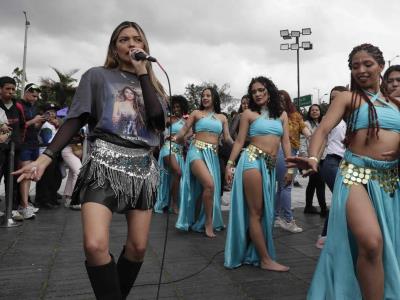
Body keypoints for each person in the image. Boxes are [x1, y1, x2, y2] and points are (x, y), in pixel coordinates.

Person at [13, 21, 166, 299]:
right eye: (123, 40)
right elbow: (75, 119)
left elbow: (157, 121)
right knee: (95, 246)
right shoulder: (97, 76)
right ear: (114, 47)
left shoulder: (154, 87)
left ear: (145, 46)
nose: (131, 44)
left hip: (142, 169)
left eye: (137, 39)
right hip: (103, 165)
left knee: (139, 247)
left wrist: (143, 74)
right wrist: (46, 159)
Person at [287, 43, 400, 299]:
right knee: (371, 243)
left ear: (380, 66)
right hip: (354, 176)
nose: (361, 70)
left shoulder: (395, 104)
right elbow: (323, 130)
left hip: (389, 182)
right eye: (355, 66)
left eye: (367, 64)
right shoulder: (348, 98)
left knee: (385, 247)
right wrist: (314, 156)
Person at [224, 76, 291, 271]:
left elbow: (286, 143)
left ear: (269, 90)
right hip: (251, 160)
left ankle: (254, 252)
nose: (258, 94)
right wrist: (229, 164)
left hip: (270, 166)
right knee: (256, 211)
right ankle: (265, 259)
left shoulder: (282, 115)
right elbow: (238, 142)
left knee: (265, 212)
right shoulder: (249, 114)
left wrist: (291, 168)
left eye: (261, 90)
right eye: (254, 92)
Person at [174, 87, 233, 238]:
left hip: (212, 155)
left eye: (208, 95)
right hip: (196, 151)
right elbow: (184, 130)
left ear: (214, 98)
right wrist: (179, 138)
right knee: (209, 184)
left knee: (204, 190)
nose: (205, 98)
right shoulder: (196, 113)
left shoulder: (222, 118)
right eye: (203, 96)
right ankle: (208, 222)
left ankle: (198, 219)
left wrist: (241, 147)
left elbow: (226, 139)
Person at [315, 86, 348, 249]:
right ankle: (325, 235)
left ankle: (328, 235)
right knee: (342, 196)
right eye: (332, 98)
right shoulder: (329, 118)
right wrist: (313, 160)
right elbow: (322, 140)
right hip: (331, 162)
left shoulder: (351, 117)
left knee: (340, 199)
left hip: (347, 164)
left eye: (338, 97)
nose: (335, 100)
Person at [274, 90, 310, 233]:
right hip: (282, 152)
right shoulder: (275, 116)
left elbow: (305, 129)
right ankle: (288, 220)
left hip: (292, 151)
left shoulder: (295, 116)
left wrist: (312, 136)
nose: (281, 102)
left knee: (281, 187)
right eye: (279, 99)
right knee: (286, 186)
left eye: (284, 100)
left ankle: (276, 217)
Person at [154, 95, 189, 214]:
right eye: (174, 107)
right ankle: (174, 205)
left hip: (179, 151)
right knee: (178, 172)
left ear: (183, 107)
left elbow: (185, 140)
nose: (176, 109)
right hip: (167, 149)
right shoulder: (169, 120)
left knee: (175, 176)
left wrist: (183, 138)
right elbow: (158, 130)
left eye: (178, 106)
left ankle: (169, 203)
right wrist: (165, 135)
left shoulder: (186, 123)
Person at [0, 76, 26, 220]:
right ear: (0, 89)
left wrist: (19, 142)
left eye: (13, 89)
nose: (10, 92)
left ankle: (13, 209)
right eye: (7, 89)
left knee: (12, 179)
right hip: (0, 148)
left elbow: (23, 126)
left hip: (14, 149)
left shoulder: (18, 106)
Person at [19, 83, 44, 214]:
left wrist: (40, 122)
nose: (35, 98)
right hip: (23, 144)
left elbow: (33, 127)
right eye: (33, 95)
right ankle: (23, 206)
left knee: (29, 175)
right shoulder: (19, 105)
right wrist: (33, 121)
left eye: (37, 96)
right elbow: (18, 125)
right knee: (24, 176)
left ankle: (25, 203)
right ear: (26, 92)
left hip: (33, 143)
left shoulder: (33, 107)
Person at [35, 103, 62, 209]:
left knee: (55, 176)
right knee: (46, 178)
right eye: (49, 111)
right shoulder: (46, 125)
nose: (52, 113)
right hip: (46, 153)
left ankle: (51, 198)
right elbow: (48, 141)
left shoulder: (55, 125)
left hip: (53, 154)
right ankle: (43, 200)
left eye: (54, 111)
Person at [304, 104, 328, 216]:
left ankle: (308, 206)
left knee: (312, 183)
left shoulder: (323, 123)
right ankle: (323, 209)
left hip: (323, 157)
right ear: (309, 112)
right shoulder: (306, 124)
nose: (314, 112)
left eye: (317, 110)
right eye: (312, 110)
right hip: (312, 157)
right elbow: (305, 141)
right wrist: (305, 157)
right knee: (320, 182)